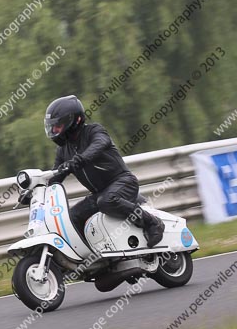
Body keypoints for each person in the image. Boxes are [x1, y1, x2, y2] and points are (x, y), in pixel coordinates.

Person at [43, 95, 165, 248]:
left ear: (73, 121)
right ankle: (91, 256)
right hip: (100, 194)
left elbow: (100, 144)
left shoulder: (94, 130)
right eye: (52, 127)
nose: (54, 130)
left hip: (123, 182)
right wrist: (37, 189)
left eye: (57, 126)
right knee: (72, 217)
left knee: (106, 201)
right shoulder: (62, 150)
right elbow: (55, 176)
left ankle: (153, 223)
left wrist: (81, 158)